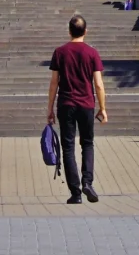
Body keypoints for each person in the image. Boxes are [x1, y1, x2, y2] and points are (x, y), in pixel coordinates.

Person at [47, 13, 107, 205]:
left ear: (69, 31)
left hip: (66, 104)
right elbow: (98, 84)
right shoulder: (92, 53)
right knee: (87, 144)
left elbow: (54, 83)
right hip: (87, 104)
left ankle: (76, 193)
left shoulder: (60, 52)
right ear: (85, 31)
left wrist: (49, 108)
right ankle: (87, 182)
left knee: (68, 147)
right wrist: (102, 108)